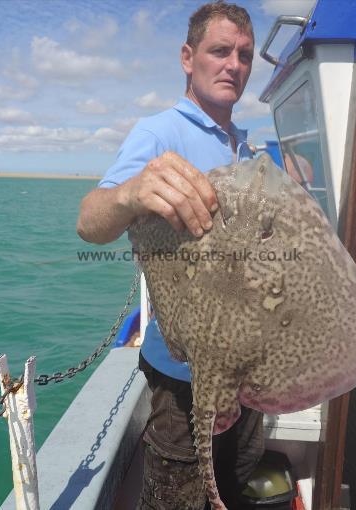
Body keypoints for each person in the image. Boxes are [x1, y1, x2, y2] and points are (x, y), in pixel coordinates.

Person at [77, 2, 264, 508]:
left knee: (234, 482)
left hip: (246, 373)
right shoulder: (159, 133)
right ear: (188, 57)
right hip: (182, 376)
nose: (234, 65)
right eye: (219, 51)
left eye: (244, 55)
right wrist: (130, 194)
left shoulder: (245, 148)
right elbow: (89, 221)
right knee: (178, 498)